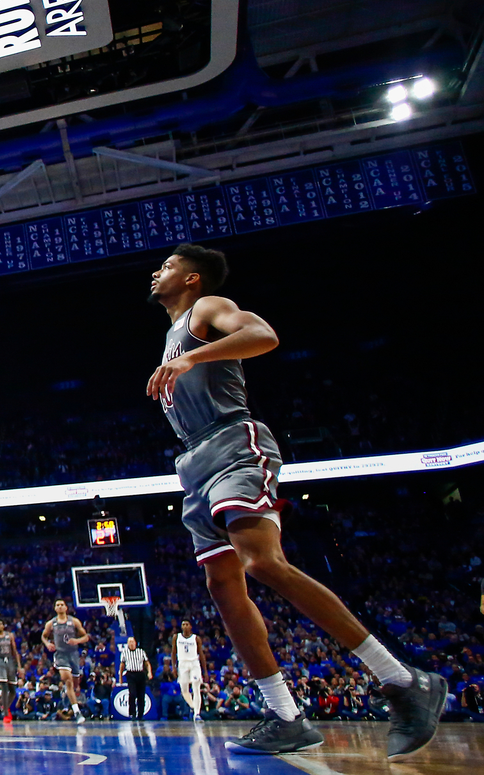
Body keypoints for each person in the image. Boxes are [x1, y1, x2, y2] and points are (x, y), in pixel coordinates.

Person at [146, 244, 447, 756]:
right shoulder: (171, 336)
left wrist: (196, 354)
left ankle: (402, 681)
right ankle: (286, 716)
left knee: (261, 562)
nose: (157, 272)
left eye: (169, 266)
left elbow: (263, 335)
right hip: (193, 463)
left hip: (233, 443)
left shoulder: (208, 308)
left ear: (193, 278)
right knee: (222, 586)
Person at [41, 599, 90, 724]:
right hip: (60, 654)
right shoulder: (51, 623)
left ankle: (69, 699)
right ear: (55, 608)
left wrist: (77, 641)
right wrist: (47, 644)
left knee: (74, 684)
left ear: (66, 608)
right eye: (57, 605)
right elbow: (43, 636)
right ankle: (77, 712)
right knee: (67, 680)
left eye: (62, 604)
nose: (60, 606)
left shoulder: (74, 621)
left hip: (73, 654)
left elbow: (86, 637)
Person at [173, 619, 208, 720]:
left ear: (190, 626)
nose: (185, 626)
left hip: (194, 663)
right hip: (182, 663)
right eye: (183, 624)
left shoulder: (196, 638)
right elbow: (173, 653)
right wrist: (174, 667)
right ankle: (193, 706)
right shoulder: (176, 637)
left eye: (187, 624)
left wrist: (205, 671)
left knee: (196, 687)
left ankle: (197, 713)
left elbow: (201, 655)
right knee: (184, 690)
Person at [0, 619, 20, 724]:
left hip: (9, 660)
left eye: (0, 623)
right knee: (4, 686)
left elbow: (14, 651)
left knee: (13, 690)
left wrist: (19, 666)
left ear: (4, 626)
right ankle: (6, 713)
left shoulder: (10, 635)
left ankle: (4, 706)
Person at [119, 636, 152, 719]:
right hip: (130, 674)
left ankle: (140, 714)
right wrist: (120, 677)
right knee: (132, 693)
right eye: (129, 642)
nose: (131, 644)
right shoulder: (124, 653)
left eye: (132, 642)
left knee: (141, 695)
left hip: (140, 673)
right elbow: (122, 665)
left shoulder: (141, 652)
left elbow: (147, 663)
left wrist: (149, 672)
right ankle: (132, 713)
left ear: (135, 643)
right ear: (127, 644)